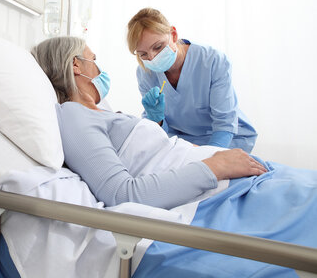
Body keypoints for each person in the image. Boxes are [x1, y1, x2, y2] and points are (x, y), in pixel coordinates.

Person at [31, 36, 267, 209]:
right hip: (212, 189)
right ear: (76, 64)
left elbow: (155, 153)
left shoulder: (100, 112)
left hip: (222, 176)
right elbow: (121, 194)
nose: (99, 67)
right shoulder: (73, 116)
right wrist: (215, 166)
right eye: (93, 59)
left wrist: (213, 155)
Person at [127, 8, 257, 153]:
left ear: (174, 35)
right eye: (143, 54)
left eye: (158, 47)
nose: (152, 58)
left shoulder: (211, 60)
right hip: (183, 143)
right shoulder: (145, 73)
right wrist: (157, 119)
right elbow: (160, 134)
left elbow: (224, 125)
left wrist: (207, 157)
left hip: (225, 140)